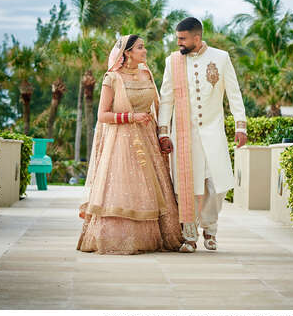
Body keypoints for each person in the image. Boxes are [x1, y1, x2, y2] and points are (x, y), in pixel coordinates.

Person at [77, 34, 183, 255]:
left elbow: (159, 106)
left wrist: (163, 135)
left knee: (151, 187)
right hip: (121, 142)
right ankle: (120, 239)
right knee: (123, 187)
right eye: (140, 48)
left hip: (148, 139)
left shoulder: (147, 73)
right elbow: (102, 115)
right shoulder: (112, 78)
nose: (145, 51)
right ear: (127, 53)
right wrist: (130, 118)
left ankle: (154, 237)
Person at [158, 17, 247, 252]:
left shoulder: (220, 57)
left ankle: (210, 229)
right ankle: (189, 236)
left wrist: (241, 126)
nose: (178, 43)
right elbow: (166, 97)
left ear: (196, 38)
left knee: (216, 185)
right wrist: (163, 132)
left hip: (213, 132)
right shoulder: (173, 62)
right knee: (186, 185)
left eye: (182, 39)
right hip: (185, 135)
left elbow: (234, 93)